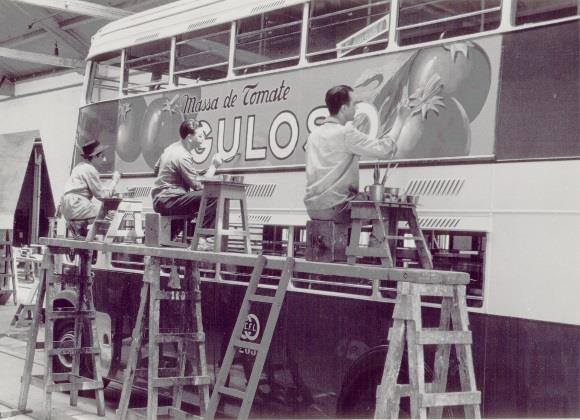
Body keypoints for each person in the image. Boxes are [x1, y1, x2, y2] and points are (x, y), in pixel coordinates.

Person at [304, 84, 408, 223]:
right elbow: (385, 150)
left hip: (313, 209)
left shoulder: (314, 135)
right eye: (354, 104)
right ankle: (375, 243)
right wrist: (400, 120)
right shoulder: (345, 133)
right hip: (336, 208)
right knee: (385, 213)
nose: (357, 108)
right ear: (344, 108)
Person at [151, 118, 223, 225]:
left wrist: (176, 179)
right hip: (169, 200)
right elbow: (198, 186)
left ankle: (186, 238)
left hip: (160, 199)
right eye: (200, 136)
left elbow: (156, 170)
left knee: (190, 199)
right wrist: (213, 166)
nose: (203, 139)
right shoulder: (183, 156)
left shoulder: (171, 148)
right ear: (189, 137)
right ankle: (202, 237)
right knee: (212, 195)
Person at [59, 139, 121, 239]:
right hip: (77, 206)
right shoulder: (90, 169)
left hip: (67, 206)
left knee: (96, 214)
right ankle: (113, 242)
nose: (104, 160)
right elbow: (103, 196)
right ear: (94, 157)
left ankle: (79, 230)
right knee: (109, 217)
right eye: (102, 156)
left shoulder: (78, 167)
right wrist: (114, 181)